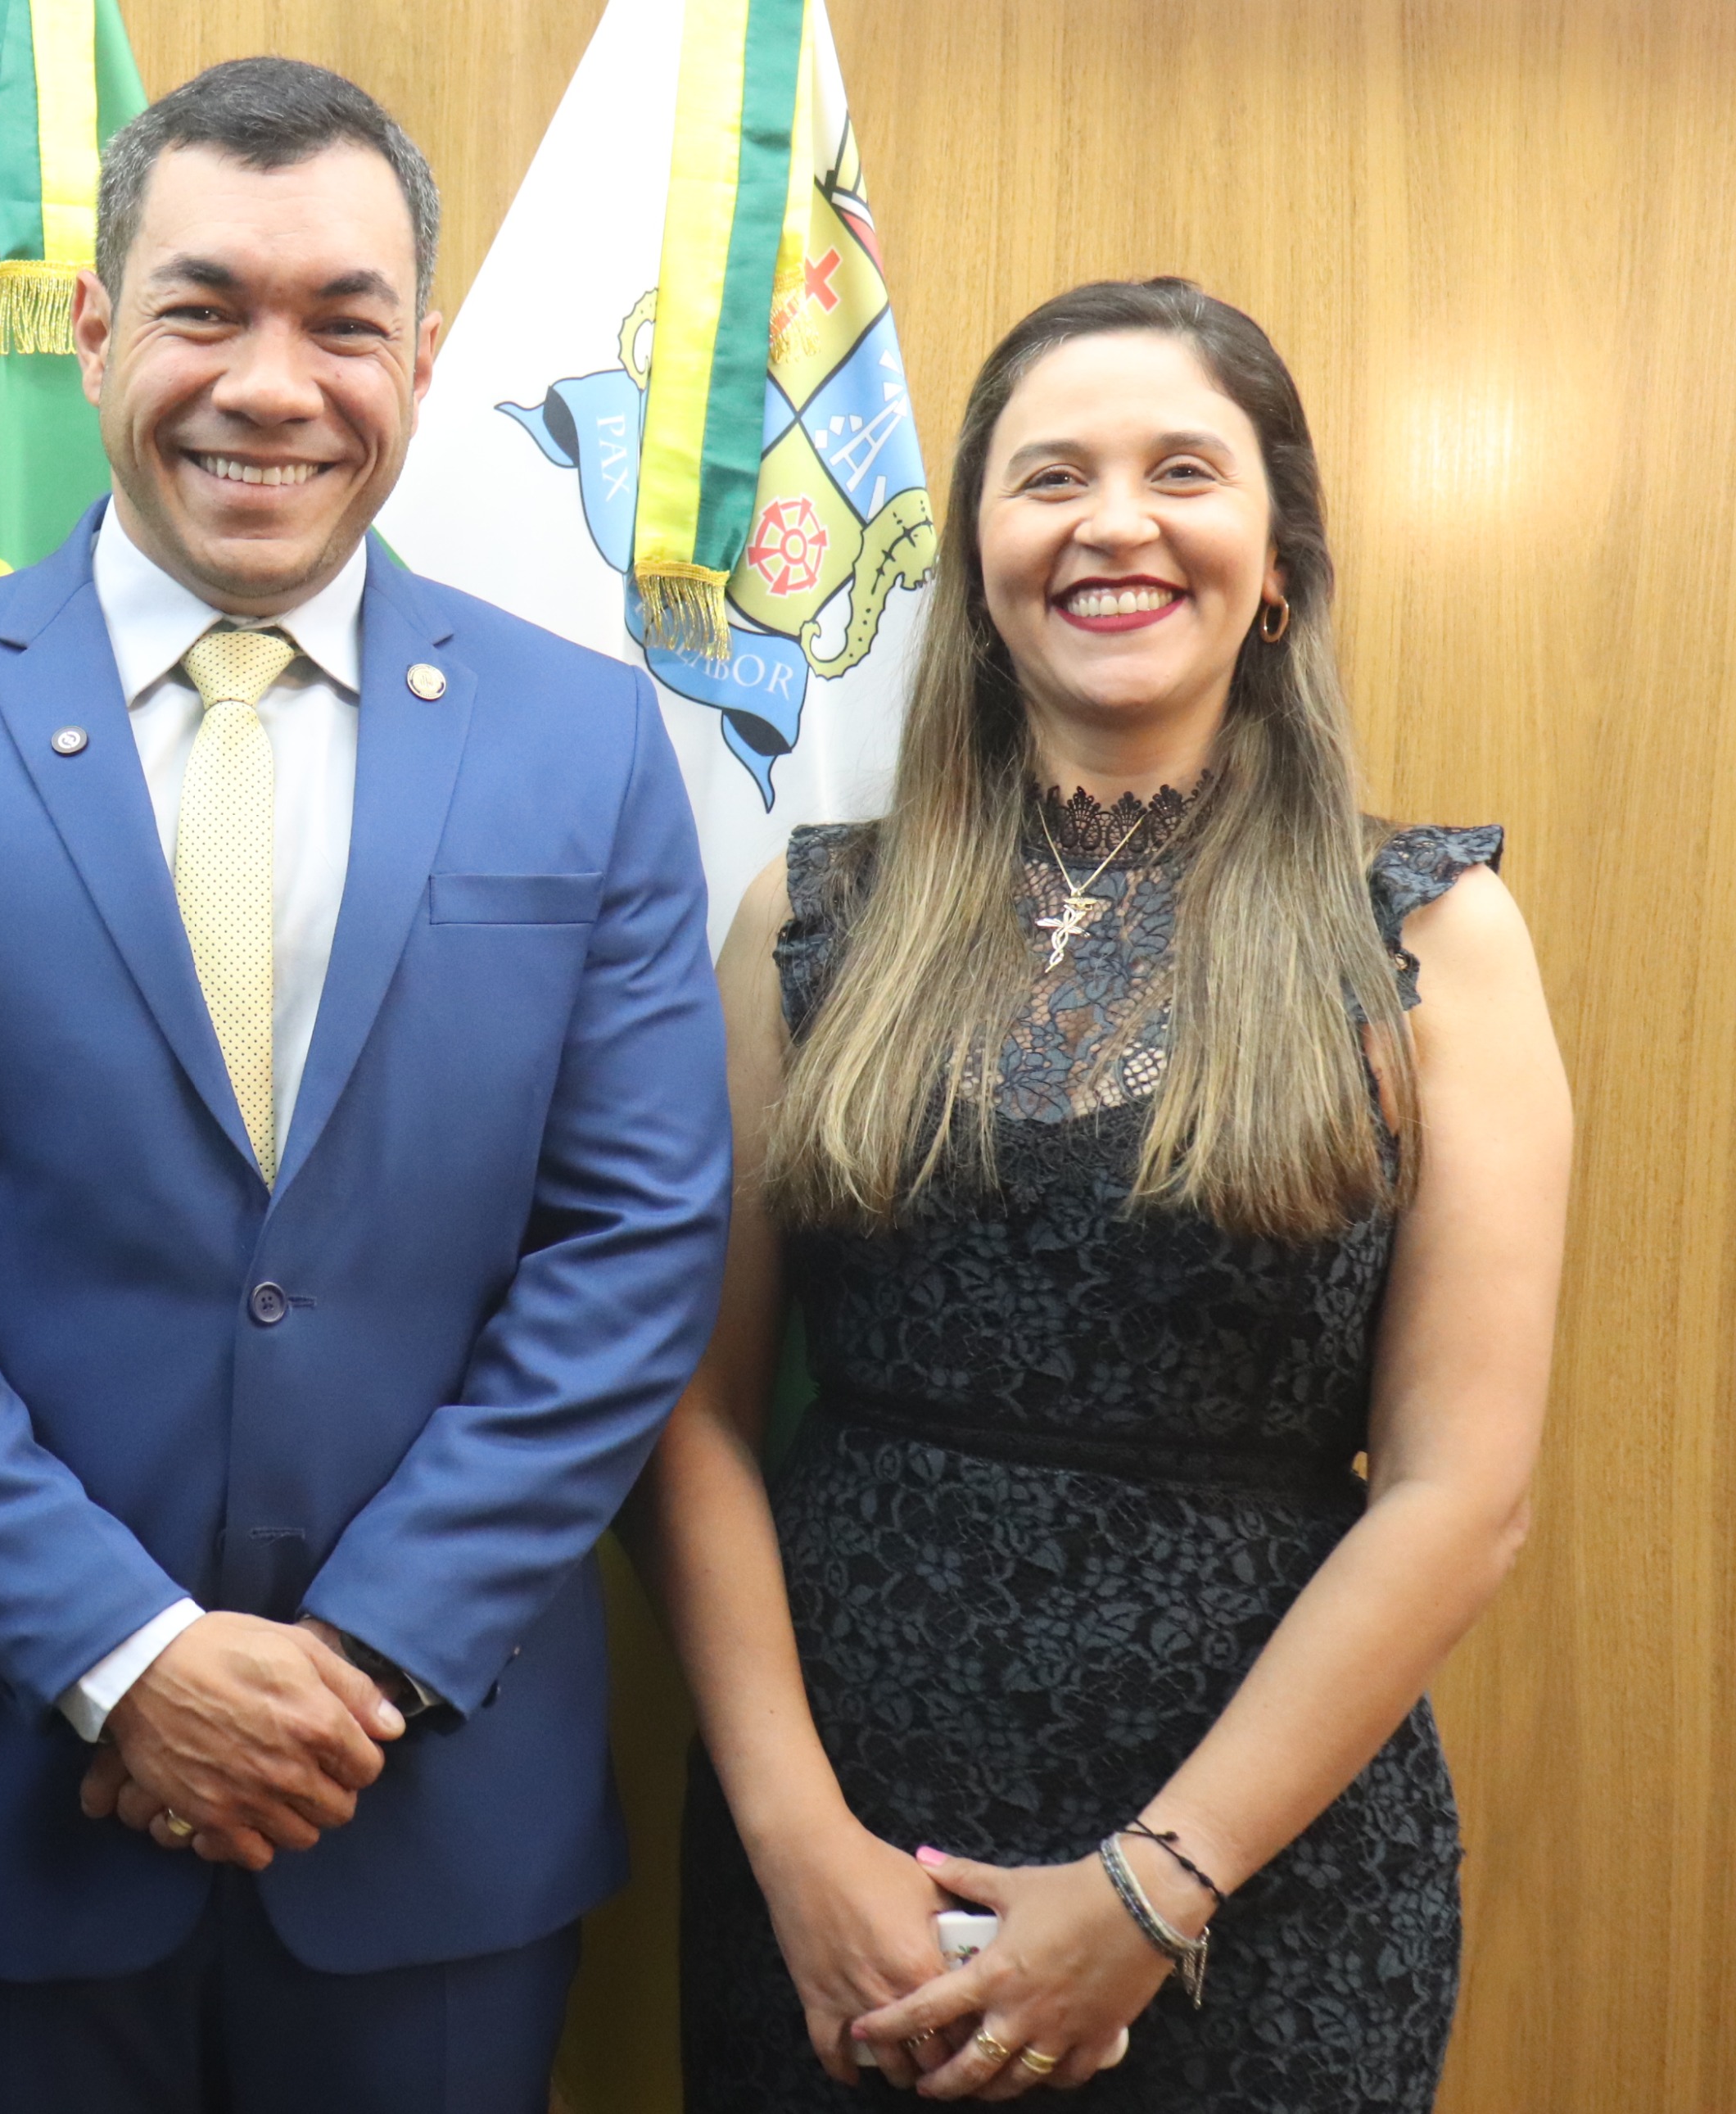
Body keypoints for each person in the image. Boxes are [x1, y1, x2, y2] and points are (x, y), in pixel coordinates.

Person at [0, 57, 735, 2114]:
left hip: (431, 1813)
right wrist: (127, 1656)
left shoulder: (587, 743)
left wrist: (357, 1663)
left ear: (420, 362)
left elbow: (632, 1250)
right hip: (12, 1803)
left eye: (342, 321)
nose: (270, 385)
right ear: (97, 331)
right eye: (203, 309)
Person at [628, 278, 1569, 2109]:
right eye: (1050, 477)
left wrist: (1151, 1890)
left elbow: (1461, 1493)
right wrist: (795, 1842)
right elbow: (691, 1411)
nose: (1113, 523)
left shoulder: (1432, 936)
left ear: (1276, 560)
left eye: (1182, 472)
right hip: (836, 1868)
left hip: (1258, 1883)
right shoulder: (810, 920)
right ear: (979, 559)